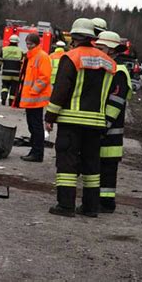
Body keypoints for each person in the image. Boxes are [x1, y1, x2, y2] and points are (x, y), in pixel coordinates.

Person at [45, 18, 117, 218]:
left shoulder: (71, 57)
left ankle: (66, 206)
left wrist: (50, 115)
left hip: (71, 121)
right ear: (92, 37)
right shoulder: (109, 63)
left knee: (67, 164)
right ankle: (90, 207)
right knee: (92, 166)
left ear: (74, 37)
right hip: (96, 123)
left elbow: (61, 89)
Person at [94, 31, 132, 213]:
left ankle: (106, 203)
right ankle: (101, 201)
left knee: (107, 170)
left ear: (112, 51)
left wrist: (103, 125)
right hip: (103, 129)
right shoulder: (108, 68)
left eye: (101, 48)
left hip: (110, 132)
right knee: (100, 168)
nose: (97, 51)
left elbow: (115, 103)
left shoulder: (119, 72)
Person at [13, 33, 52, 162]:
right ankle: (35, 151)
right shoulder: (30, 56)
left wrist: (33, 91)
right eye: (27, 43)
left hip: (36, 98)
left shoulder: (41, 57)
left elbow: (44, 77)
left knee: (35, 127)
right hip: (31, 98)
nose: (28, 46)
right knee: (33, 126)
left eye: (30, 44)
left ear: (36, 44)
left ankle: (37, 152)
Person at [0, 34, 23, 106]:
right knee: (14, 88)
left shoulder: (4, 49)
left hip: (6, 72)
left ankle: (3, 98)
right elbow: (22, 62)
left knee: (5, 86)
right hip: (16, 73)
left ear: (10, 41)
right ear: (17, 42)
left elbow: (0, 59)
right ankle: (11, 102)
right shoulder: (20, 51)